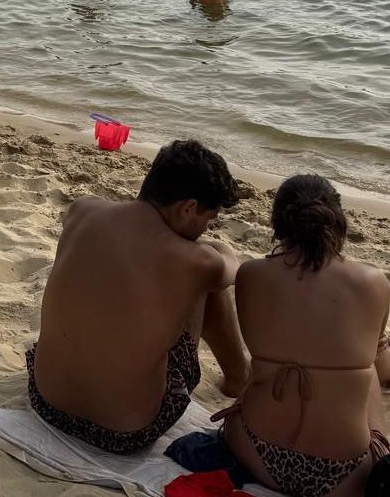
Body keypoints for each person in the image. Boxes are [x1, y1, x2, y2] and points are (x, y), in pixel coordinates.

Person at [29, 140, 249, 455]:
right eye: (207, 220)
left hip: (45, 400)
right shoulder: (195, 262)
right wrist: (213, 247)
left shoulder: (82, 210)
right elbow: (232, 269)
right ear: (188, 208)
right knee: (205, 283)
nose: (205, 229)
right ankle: (238, 378)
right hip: (122, 433)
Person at [216, 174, 390, 497]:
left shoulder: (251, 274)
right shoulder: (372, 282)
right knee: (372, 368)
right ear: (337, 220)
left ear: (278, 223)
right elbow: (379, 363)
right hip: (346, 475)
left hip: (254, 450)